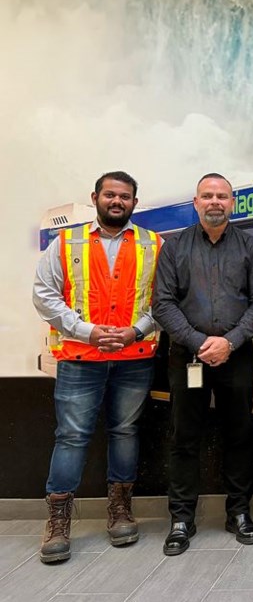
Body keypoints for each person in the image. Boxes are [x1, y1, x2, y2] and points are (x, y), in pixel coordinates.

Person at [32, 171, 162, 564]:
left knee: (125, 432)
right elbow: (44, 295)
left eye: (125, 196)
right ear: (96, 198)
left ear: (135, 203)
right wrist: (88, 332)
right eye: (110, 195)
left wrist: (135, 331)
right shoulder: (66, 242)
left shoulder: (154, 244)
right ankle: (57, 521)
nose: (117, 201)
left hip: (133, 357)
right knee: (71, 436)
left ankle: (120, 510)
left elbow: (167, 298)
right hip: (80, 358)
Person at [152, 173, 253, 555]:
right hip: (187, 356)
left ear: (233, 203)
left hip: (236, 357)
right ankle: (182, 519)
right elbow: (163, 304)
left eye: (222, 196)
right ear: (196, 202)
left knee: (239, 434)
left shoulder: (250, 247)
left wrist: (230, 341)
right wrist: (201, 342)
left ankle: (238, 513)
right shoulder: (174, 248)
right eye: (208, 196)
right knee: (184, 439)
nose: (215, 202)